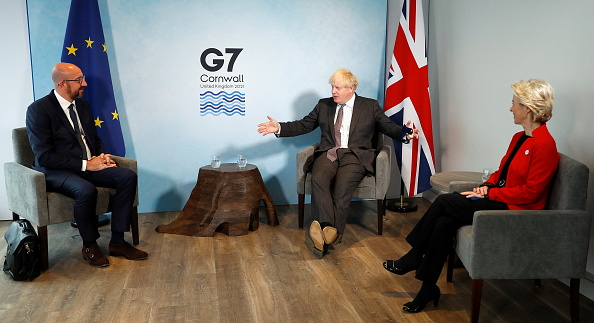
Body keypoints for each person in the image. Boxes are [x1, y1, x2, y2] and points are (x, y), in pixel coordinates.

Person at [383, 79, 559, 313]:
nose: (511, 108)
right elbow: (501, 171)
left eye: (514, 103)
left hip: (516, 211)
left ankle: (414, 255)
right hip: (501, 199)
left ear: (528, 108)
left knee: (445, 200)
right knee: (444, 222)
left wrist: (492, 193)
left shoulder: (545, 145)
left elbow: (531, 193)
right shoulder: (519, 138)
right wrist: (485, 186)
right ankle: (427, 290)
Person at [257, 68, 419, 258]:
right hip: (329, 152)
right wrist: (279, 128)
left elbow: (388, 126)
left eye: (338, 88)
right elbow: (304, 124)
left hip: (355, 156)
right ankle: (328, 229)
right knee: (319, 179)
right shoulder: (324, 105)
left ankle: (327, 236)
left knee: (342, 188)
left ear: (351, 88)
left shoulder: (369, 106)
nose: (333, 91)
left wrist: (405, 133)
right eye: (332, 87)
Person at [26, 62, 148, 268]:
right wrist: (86, 165)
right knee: (86, 190)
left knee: (127, 176)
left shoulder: (83, 106)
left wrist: (101, 156)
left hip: (87, 165)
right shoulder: (39, 110)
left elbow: (92, 138)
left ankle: (117, 242)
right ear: (62, 84)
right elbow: (45, 156)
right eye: (79, 80)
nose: (85, 83)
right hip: (56, 170)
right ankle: (90, 246)